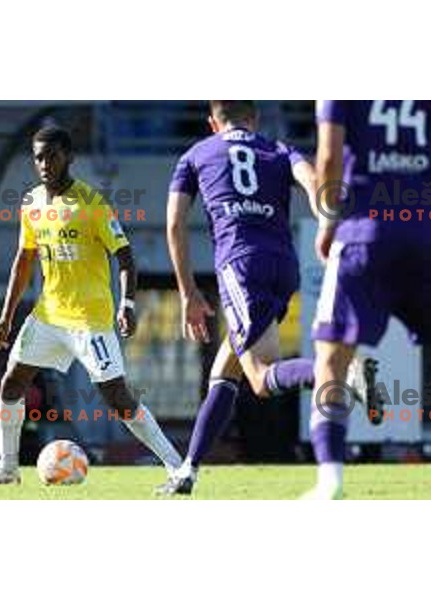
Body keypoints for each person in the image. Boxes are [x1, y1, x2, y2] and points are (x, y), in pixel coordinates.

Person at [162, 101, 378, 495]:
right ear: (254, 118)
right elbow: (314, 182)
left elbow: (175, 223)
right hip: (283, 266)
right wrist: (326, 221)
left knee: (260, 377)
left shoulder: (195, 154)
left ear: (213, 122)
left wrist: (188, 292)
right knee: (224, 371)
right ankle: (187, 470)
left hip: (240, 266)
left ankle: (340, 374)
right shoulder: (279, 149)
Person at [0, 126, 181, 485]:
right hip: (48, 316)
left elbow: (125, 257)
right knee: (12, 383)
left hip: (90, 321)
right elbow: (24, 259)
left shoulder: (92, 204)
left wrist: (126, 304)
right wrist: (6, 315)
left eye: (52, 155)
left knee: (118, 399)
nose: (45, 164)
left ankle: (177, 466)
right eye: (38, 157)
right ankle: (7, 467)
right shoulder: (32, 202)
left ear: (69, 156)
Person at [305, 100, 431, 499]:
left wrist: (328, 220)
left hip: (366, 230)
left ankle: (331, 479)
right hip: (424, 227)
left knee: (331, 357)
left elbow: (328, 157)